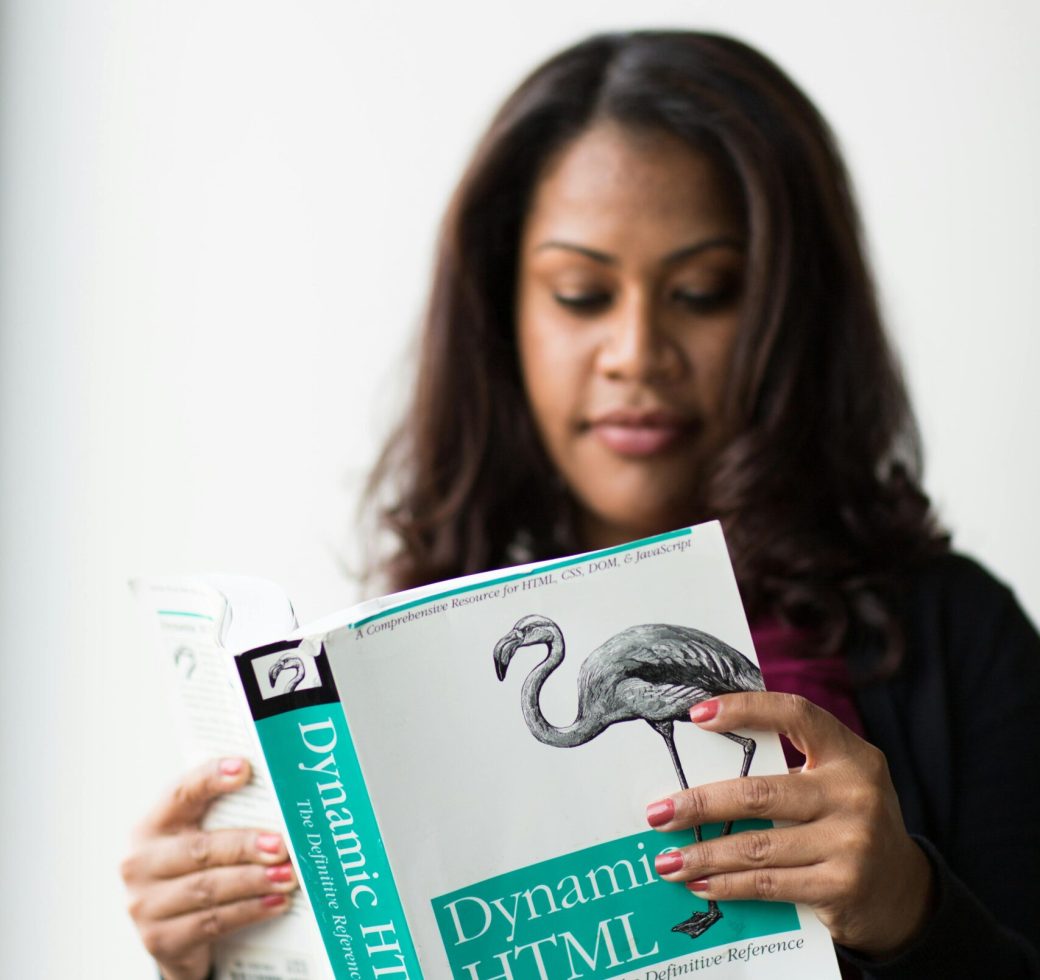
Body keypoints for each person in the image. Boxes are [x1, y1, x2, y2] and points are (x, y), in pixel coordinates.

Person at [122, 30, 1040, 979]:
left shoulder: (957, 643)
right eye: (580, 293)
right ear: (501, 314)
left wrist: (907, 909)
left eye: (702, 292)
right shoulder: (385, 679)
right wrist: (219, 953)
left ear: (789, 310)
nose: (636, 351)